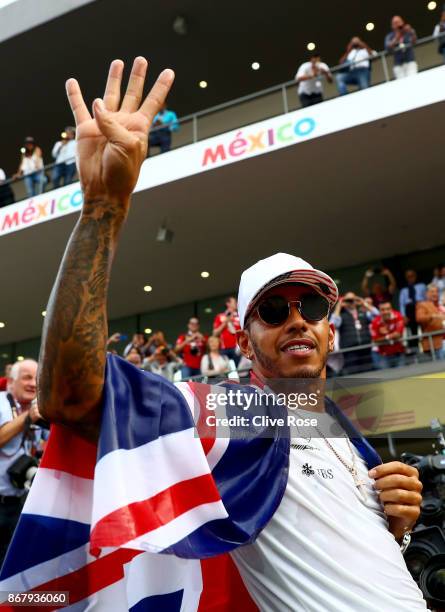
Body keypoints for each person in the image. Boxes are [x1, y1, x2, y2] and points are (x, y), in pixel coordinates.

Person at [28, 58, 425, 611]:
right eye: (272, 309)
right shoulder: (236, 416)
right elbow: (68, 396)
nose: (295, 317)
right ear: (244, 344)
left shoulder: (348, 436)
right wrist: (104, 205)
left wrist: (397, 523)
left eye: (311, 305)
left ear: (329, 331)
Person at [0, 359, 44, 565]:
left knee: (11, 564)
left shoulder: (38, 410)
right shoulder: (1, 402)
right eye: (27, 377)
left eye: (36, 378)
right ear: (11, 381)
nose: (33, 384)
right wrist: (28, 417)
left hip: (19, 503)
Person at [330, 293, 374, 374]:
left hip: (366, 348)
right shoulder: (341, 315)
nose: (351, 302)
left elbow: (377, 316)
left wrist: (363, 303)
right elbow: (332, 325)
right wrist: (339, 306)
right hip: (350, 351)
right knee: (354, 376)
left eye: (353, 299)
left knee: (369, 374)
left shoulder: (363, 312)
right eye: (348, 300)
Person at [370, 302, 405, 369]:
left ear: (391, 309)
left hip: (398, 352)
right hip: (383, 354)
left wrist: (385, 336)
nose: (385, 312)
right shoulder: (375, 322)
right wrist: (390, 336)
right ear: (379, 311)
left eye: (388, 309)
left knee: (402, 375)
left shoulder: (398, 316)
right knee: (386, 378)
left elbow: (398, 334)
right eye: (383, 310)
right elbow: (375, 340)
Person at [399, 270, 427, 352]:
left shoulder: (422, 286)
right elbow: (402, 304)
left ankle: (425, 346)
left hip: (421, 307)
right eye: (408, 276)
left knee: (424, 327)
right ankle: (415, 348)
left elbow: (426, 297)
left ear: (415, 276)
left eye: (412, 276)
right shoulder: (403, 290)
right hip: (410, 310)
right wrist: (403, 316)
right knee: (412, 330)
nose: (410, 278)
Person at [416, 284, 445, 360]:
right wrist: (432, 316)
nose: (435, 294)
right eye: (432, 292)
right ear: (426, 294)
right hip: (436, 344)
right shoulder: (422, 305)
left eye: (436, 292)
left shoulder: (441, 305)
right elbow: (419, 318)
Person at [213, 296, 241, 366]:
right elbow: (215, 333)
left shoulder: (240, 316)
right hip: (223, 349)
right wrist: (226, 322)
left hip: (238, 348)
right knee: (223, 372)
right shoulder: (220, 316)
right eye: (235, 302)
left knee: (242, 372)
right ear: (228, 304)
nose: (237, 303)